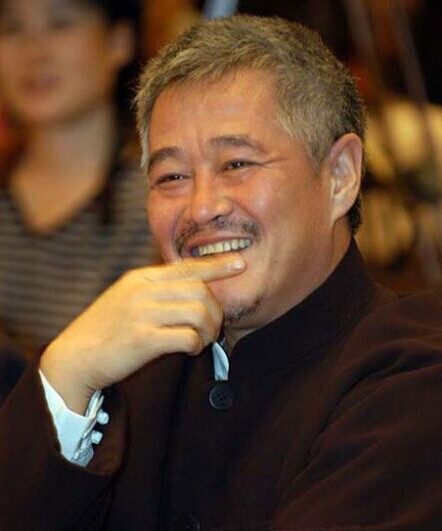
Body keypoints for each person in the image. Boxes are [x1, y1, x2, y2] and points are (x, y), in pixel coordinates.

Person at [1, 14, 442, 530]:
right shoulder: (127, 375)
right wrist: (66, 373)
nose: (201, 207)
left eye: (237, 164)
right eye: (172, 176)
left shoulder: (412, 378)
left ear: (340, 176)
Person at [0, 0, 156, 356]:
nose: (34, 52)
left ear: (119, 41)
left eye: (60, 24)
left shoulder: (157, 199)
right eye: (12, 28)